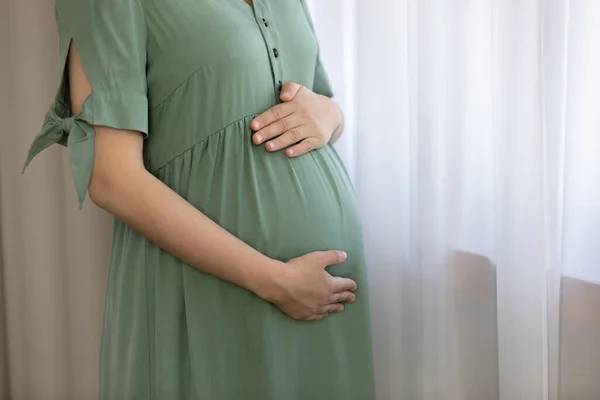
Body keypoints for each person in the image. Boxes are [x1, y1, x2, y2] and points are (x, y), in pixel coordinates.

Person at [23, 0, 376, 398]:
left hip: (326, 300)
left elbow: (317, 104)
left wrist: (331, 115)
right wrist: (276, 282)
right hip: (217, 291)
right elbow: (112, 179)